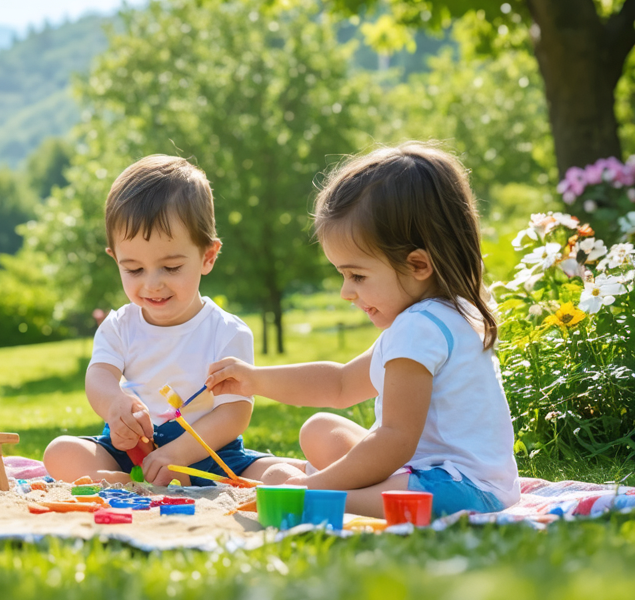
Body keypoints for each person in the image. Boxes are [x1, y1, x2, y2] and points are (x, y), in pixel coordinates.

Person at [206, 143, 520, 517]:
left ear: (418, 264)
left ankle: (315, 496)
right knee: (320, 428)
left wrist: (309, 487)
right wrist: (255, 379)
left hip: (455, 489)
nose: (346, 291)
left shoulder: (418, 329)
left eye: (357, 275)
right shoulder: (445, 314)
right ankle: (322, 488)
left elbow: (395, 440)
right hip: (451, 479)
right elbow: (339, 384)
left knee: (311, 486)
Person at [43, 155, 299, 486]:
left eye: (171, 267)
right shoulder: (120, 325)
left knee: (279, 477)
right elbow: (100, 376)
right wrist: (114, 406)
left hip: (205, 452)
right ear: (115, 259)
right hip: (131, 451)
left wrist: (177, 455)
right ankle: (129, 482)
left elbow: (234, 413)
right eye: (134, 269)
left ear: (207, 256)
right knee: (60, 451)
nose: (152, 284)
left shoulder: (226, 331)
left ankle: (154, 483)